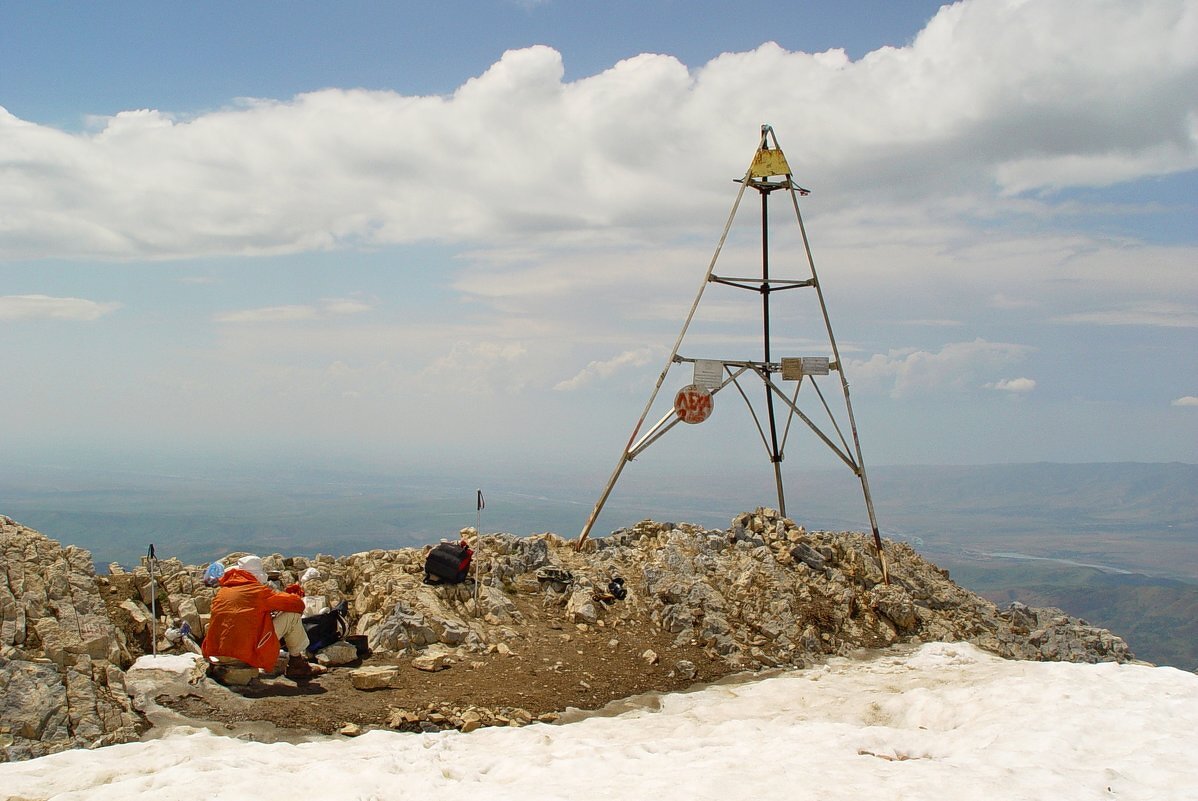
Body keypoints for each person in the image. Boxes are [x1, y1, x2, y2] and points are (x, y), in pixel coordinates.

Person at [201, 555, 315, 682]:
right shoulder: (257, 592)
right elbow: (297, 605)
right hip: (242, 654)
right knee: (291, 616)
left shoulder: (223, 591)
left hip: (216, 654)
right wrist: (290, 595)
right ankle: (296, 663)